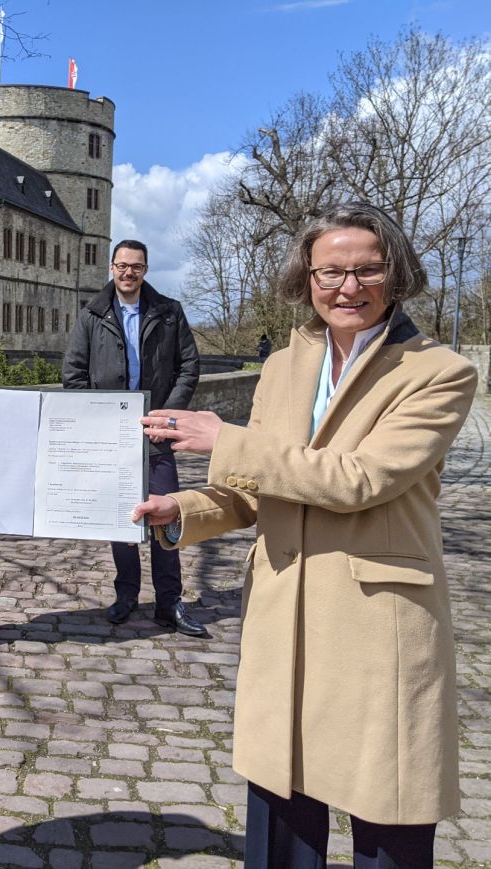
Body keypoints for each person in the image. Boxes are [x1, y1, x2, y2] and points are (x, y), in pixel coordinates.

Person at [134, 202, 477, 867]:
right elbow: (253, 493)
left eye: (366, 269)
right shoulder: (283, 367)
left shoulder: (439, 372)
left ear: (396, 273)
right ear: (306, 277)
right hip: (283, 618)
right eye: (331, 272)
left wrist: (222, 438)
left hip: (376, 627)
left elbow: (359, 479)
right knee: (282, 829)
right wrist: (180, 511)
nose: (348, 287)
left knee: (388, 824)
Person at [62, 240, 206, 637]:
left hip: (157, 432)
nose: (128, 273)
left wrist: (167, 416)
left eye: (136, 266)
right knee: (120, 521)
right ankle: (125, 595)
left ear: (145, 269)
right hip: (111, 435)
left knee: (166, 519)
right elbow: (73, 374)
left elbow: (188, 367)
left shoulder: (168, 311)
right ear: (111, 268)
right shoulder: (92, 313)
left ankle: (168, 602)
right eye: (122, 266)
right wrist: (97, 421)